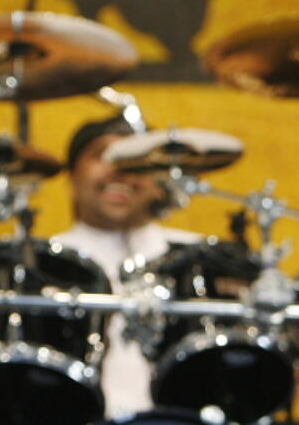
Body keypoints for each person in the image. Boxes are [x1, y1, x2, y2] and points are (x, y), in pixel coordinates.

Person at [53, 114, 200, 419]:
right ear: (71, 175)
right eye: (104, 156)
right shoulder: (40, 262)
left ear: (161, 183)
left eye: (137, 159)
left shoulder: (199, 257)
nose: (120, 172)